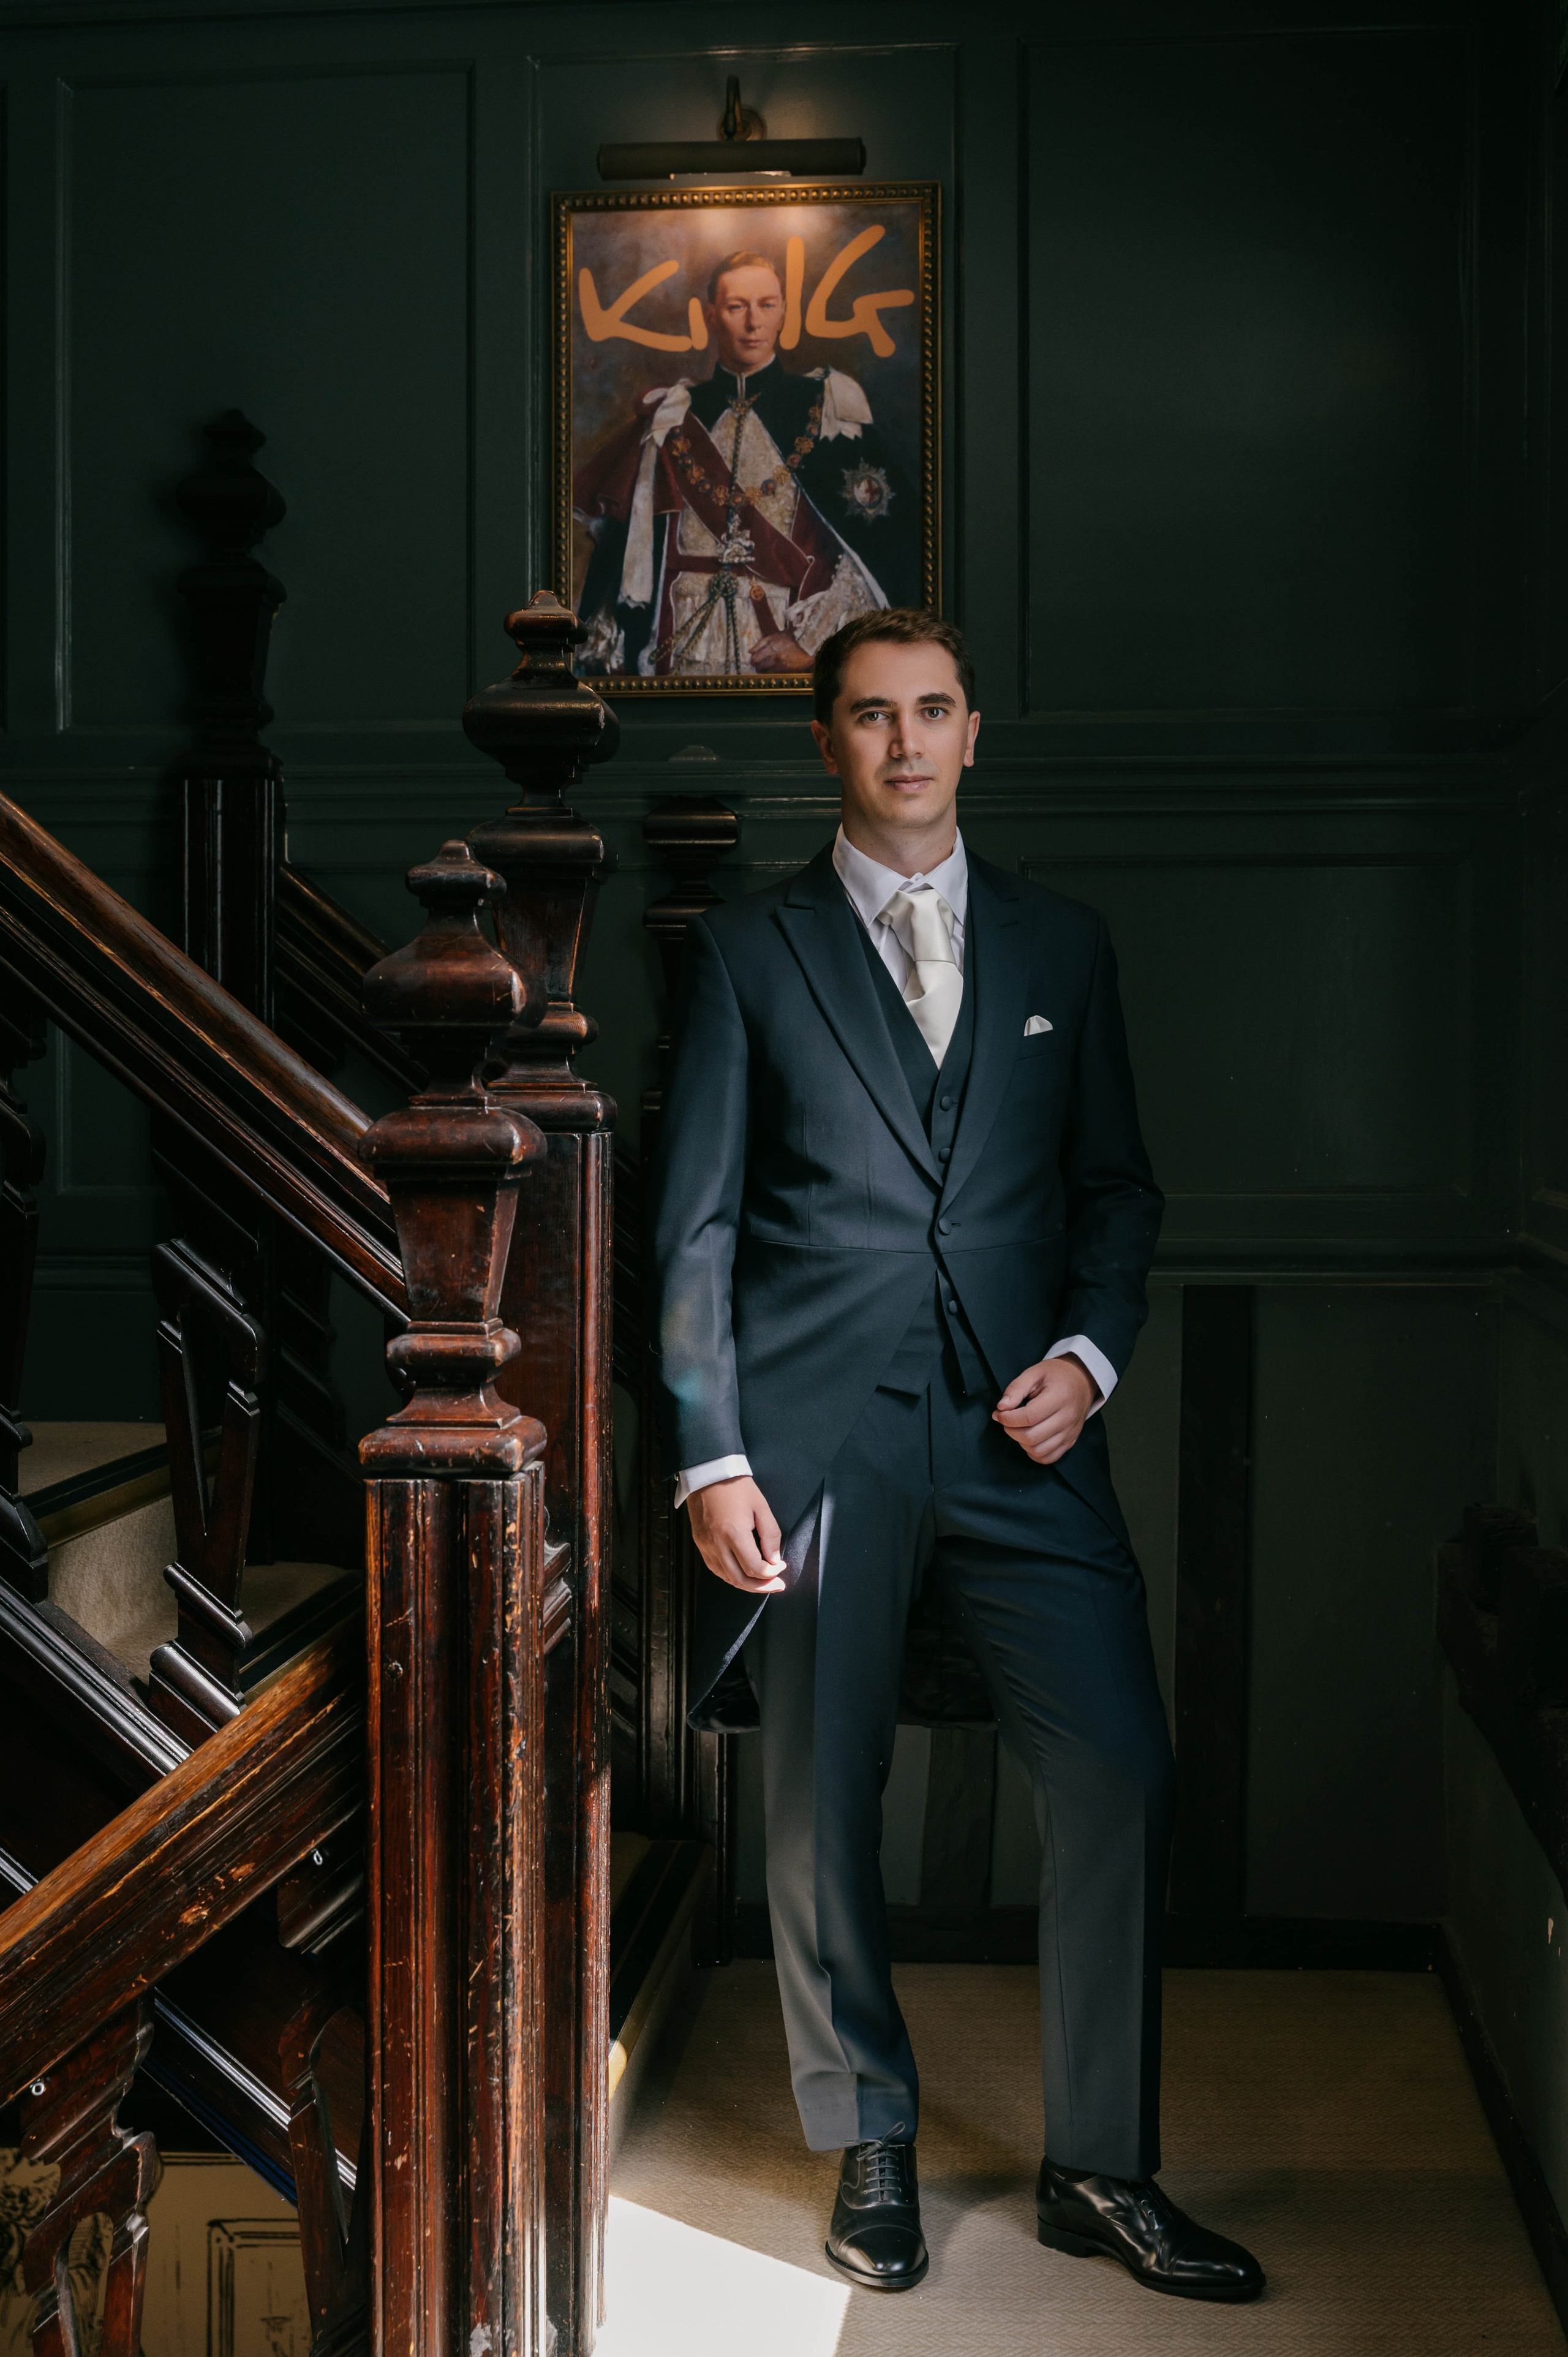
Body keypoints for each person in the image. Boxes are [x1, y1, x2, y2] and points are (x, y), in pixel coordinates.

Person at [647, 608, 1265, 2304]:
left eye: (932, 712)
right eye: (869, 716)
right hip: (821, 1441)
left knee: (1121, 1771)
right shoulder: (748, 953)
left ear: (974, 733)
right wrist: (712, 1456)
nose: (905, 743)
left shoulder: (1066, 948)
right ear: (828, 743)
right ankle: (870, 2136)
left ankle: (1102, 2167)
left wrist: (1088, 1357)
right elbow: (692, 1225)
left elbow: (1117, 1193)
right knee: (819, 1799)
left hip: (1022, 1428)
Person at [573, 250, 917, 678]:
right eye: (737, 307)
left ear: (783, 313)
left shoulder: (827, 408)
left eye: (767, 306)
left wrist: (814, 646)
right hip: (677, 647)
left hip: (784, 651)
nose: (754, 323)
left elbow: (878, 551)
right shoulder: (673, 416)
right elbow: (627, 554)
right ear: (711, 315)